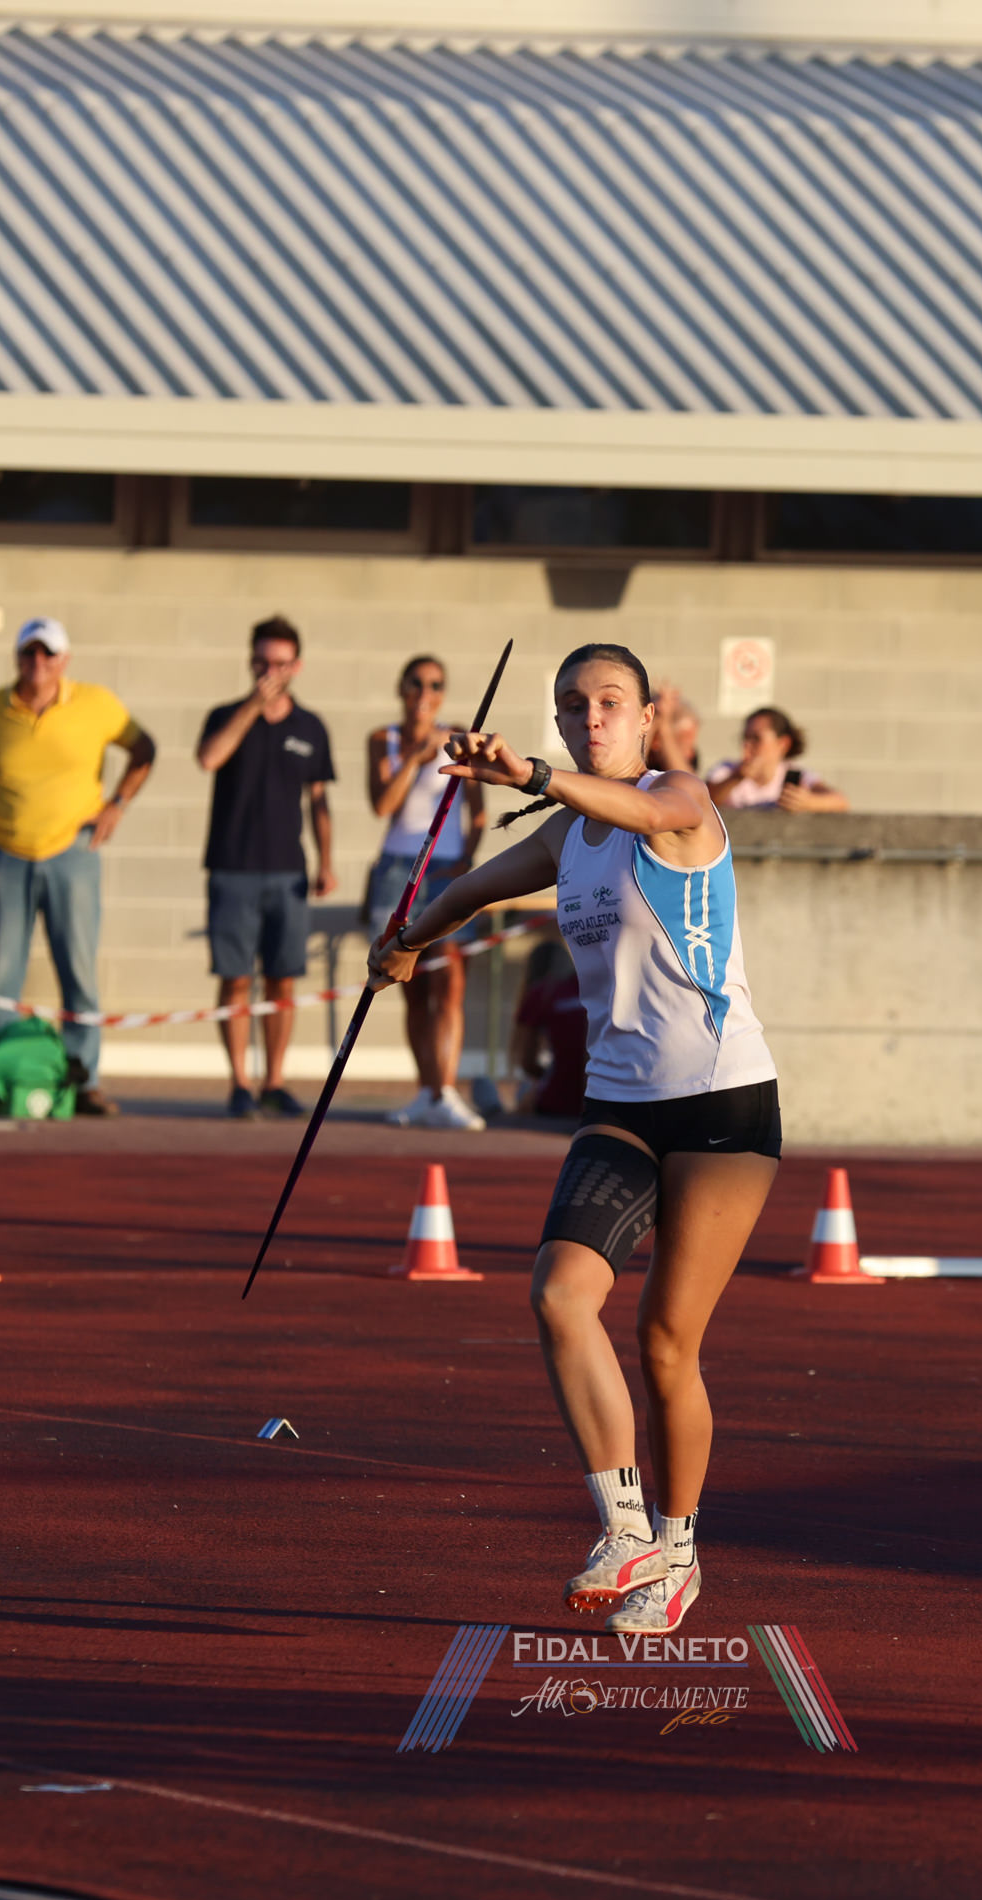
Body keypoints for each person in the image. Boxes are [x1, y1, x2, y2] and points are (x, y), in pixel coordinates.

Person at [371, 643, 780, 1636]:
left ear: (645, 717)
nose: (590, 718)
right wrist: (409, 940)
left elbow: (639, 810)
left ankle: (678, 1555)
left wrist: (529, 774)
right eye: (572, 706)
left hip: (721, 1101)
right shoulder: (567, 836)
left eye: (609, 702)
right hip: (620, 1104)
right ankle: (626, 1525)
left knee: (666, 1341)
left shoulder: (681, 800)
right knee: (559, 1294)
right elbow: (472, 889)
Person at [0, 617, 155, 1116]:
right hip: (6, 853)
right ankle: (0, 1077)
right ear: (16, 658)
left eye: (48, 654)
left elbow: (144, 749)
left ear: (64, 659)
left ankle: (83, 1079)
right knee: (2, 974)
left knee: (78, 971)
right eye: (29, 653)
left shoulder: (95, 704)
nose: (38, 663)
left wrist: (117, 804)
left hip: (72, 852)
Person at [196, 614, 336, 1120]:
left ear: (297, 666)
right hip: (232, 867)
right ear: (250, 662)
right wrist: (253, 707)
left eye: (279, 663)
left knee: (282, 978)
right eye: (261, 662)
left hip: (287, 870)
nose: (270, 672)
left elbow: (318, 800)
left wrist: (327, 861)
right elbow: (209, 758)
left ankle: (274, 1080)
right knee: (235, 978)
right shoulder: (225, 715)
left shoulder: (310, 727)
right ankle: (239, 1081)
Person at [364, 654, 487, 1131]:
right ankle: (425, 1090)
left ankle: (446, 1090)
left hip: (445, 866)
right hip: (399, 867)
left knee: (450, 980)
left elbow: (477, 808)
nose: (424, 693)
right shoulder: (385, 739)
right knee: (409, 983)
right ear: (402, 688)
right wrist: (417, 758)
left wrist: (467, 857)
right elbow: (382, 805)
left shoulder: (457, 736)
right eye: (416, 683)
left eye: (435, 685)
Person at [706, 707, 848, 813]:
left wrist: (808, 802)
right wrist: (735, 779)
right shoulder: (727, 770)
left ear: (783, 744)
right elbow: (705, 800)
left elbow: (840, 801)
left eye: (756, 738)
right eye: (745, 738)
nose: (747, 745)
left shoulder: (795, 774)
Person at [509, 936, 588, 1118]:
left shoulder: (541, 993)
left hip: (553, 1102)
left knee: (486, 1085)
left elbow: (527, 1061)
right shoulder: (591, 988)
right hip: (599, 1098)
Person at [646, 682, 704, 775]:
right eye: (687, 737)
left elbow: (687, 779)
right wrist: (659, 721)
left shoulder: (691, 759)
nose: (691, 753)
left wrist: (663, 725)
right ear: (656, 742)